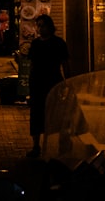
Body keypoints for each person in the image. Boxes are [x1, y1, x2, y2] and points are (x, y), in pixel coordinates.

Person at [26, 14, 70, 158]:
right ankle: (36, 146)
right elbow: (32, 65)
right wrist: (30, 82)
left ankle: (59, 144)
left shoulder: (59, 43)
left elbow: (65, 64)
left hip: (53, 82)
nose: (39, 28)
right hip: (37, 83)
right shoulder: (36, 44)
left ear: (50, 26)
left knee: (56, 114)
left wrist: (68, 82)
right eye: (38, 25)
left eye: (42, 25)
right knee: (37, 114)